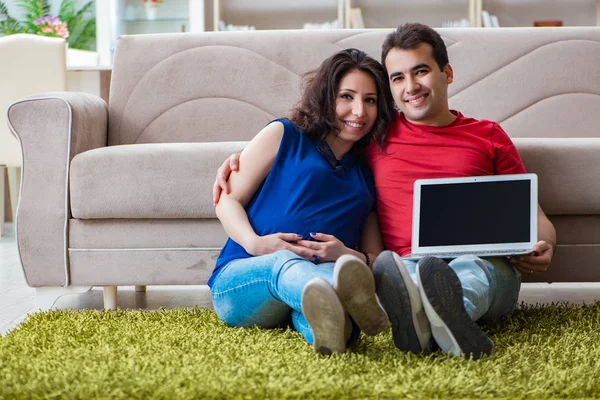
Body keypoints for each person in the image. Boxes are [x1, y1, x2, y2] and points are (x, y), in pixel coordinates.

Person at [212, 24, 557, 361]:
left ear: (447, 73)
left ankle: (441, 315)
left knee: (468, 266)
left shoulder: (486, 136)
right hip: (396, 268)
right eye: (398, 78)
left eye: (421, 71)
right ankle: (430, 322)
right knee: (368, 273)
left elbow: (534, 219)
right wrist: (239, 161)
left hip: (484, 266)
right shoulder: (373, 138)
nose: (411, 86)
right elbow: (305, 150)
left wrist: (544, 246)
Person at [209, 48, 396, 356]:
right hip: (244, 281)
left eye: (370, 100)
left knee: (326, 308)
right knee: (284, 264)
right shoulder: (284, 134)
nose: (359, 111)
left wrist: (344, 254)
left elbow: (373, 257)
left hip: (306, 290)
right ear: (326, 97)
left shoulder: (365, 174)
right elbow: (226, 199)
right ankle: (351, 304)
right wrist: (255, 244)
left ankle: (340, 333)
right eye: (346, 97)